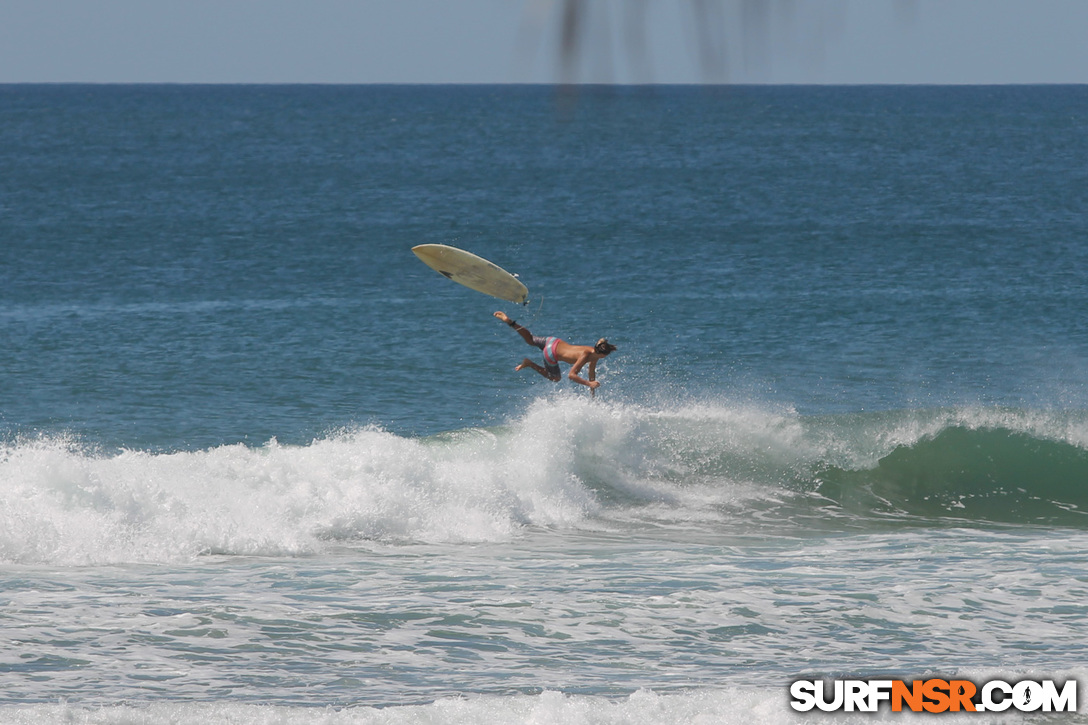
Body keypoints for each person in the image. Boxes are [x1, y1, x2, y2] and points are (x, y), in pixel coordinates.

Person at [494, 311, 616, 392]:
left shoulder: (593, 351)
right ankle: (529, 363)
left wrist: (592, 389)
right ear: (601, 354)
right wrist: (589, 384)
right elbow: (571, 375)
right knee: (556, 378)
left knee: (530, 339)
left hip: (552, 341)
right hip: (550, 353)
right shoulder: (586, 355)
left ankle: (511, 323)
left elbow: (591, 372)